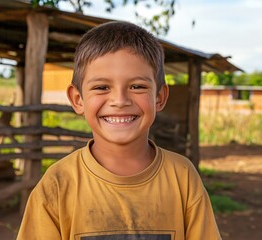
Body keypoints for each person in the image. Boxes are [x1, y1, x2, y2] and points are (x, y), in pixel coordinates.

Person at [17, 21, 221, 240]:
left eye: (137, 86)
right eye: (102, 87)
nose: (120, 101)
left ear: (159, 97)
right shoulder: (58, 184)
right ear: (78, 99)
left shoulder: (182, 176)